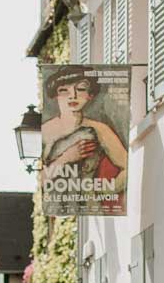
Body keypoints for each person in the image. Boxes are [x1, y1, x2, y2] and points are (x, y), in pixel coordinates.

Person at [42, 65, 127, 213]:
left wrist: (102, 192)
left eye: (80, 89)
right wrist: (66, 158)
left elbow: (128, 167)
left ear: (90, 94)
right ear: (55, 95)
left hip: (89, 208)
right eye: (64, 90)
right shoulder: (46, 131)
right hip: (56, 209)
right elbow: (41, 180)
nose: (72, 95)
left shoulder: (99, 129)